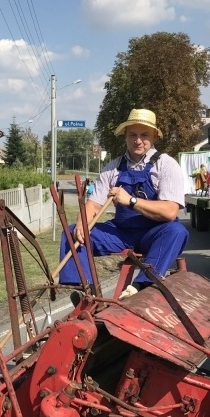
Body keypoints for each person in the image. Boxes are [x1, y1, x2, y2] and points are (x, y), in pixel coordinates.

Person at [59, 108, 188, 299]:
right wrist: (82, 222)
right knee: (72, 232)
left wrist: (131, 201)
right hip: (120, 233)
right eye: (133, 135)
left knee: (177, 231)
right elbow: (93, 205)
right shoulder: (113, 167)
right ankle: (86, 293)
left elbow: (169, 212)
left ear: (154, 137)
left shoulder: (166, 165)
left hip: (154, 233)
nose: (138, 140)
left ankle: (141, 286)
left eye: (144, 135)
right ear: (125, 136)